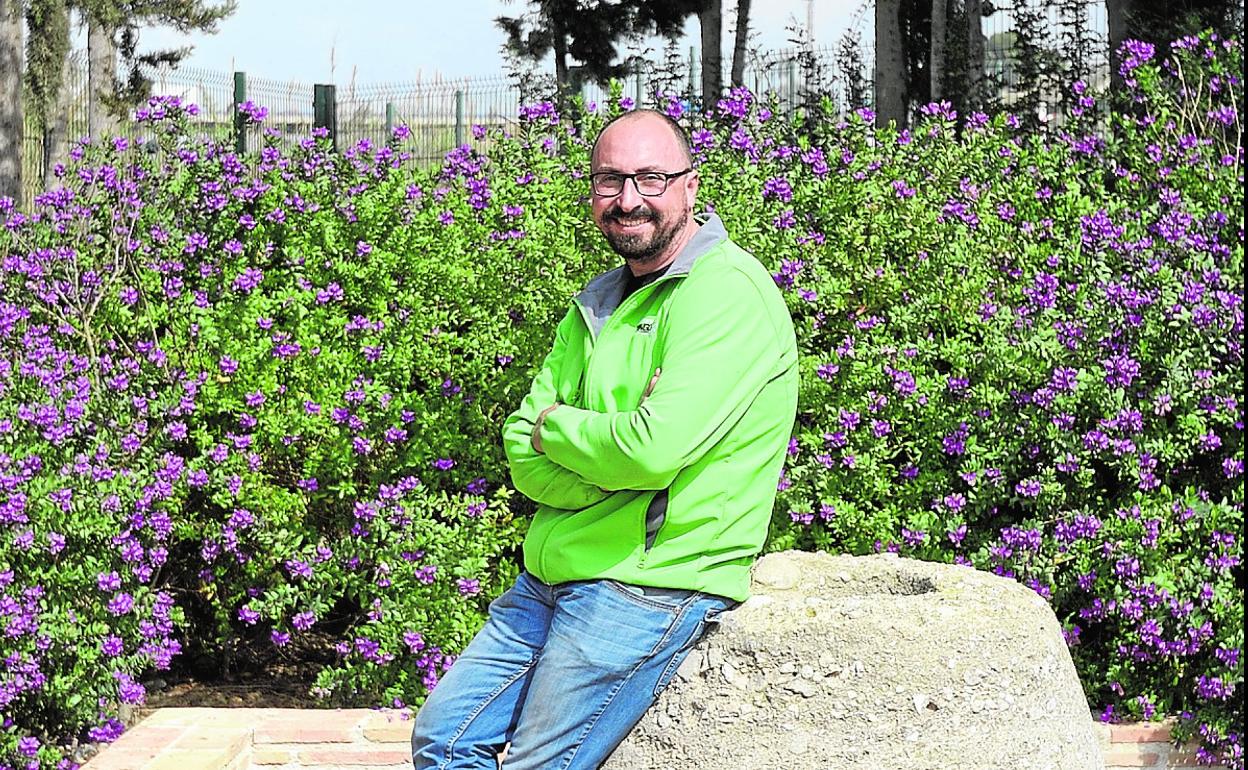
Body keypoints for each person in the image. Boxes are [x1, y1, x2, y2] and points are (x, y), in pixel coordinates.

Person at [411, 108, 798, 770]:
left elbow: (648, 451)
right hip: (551, 575)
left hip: (649, 583)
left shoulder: (725, 294)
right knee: (444, 741)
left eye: (651, 178)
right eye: (610, 180)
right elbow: (523, 450)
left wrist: (560, 427)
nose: (628, 198)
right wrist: (609, 462)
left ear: (690, 186)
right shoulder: (598, 301)